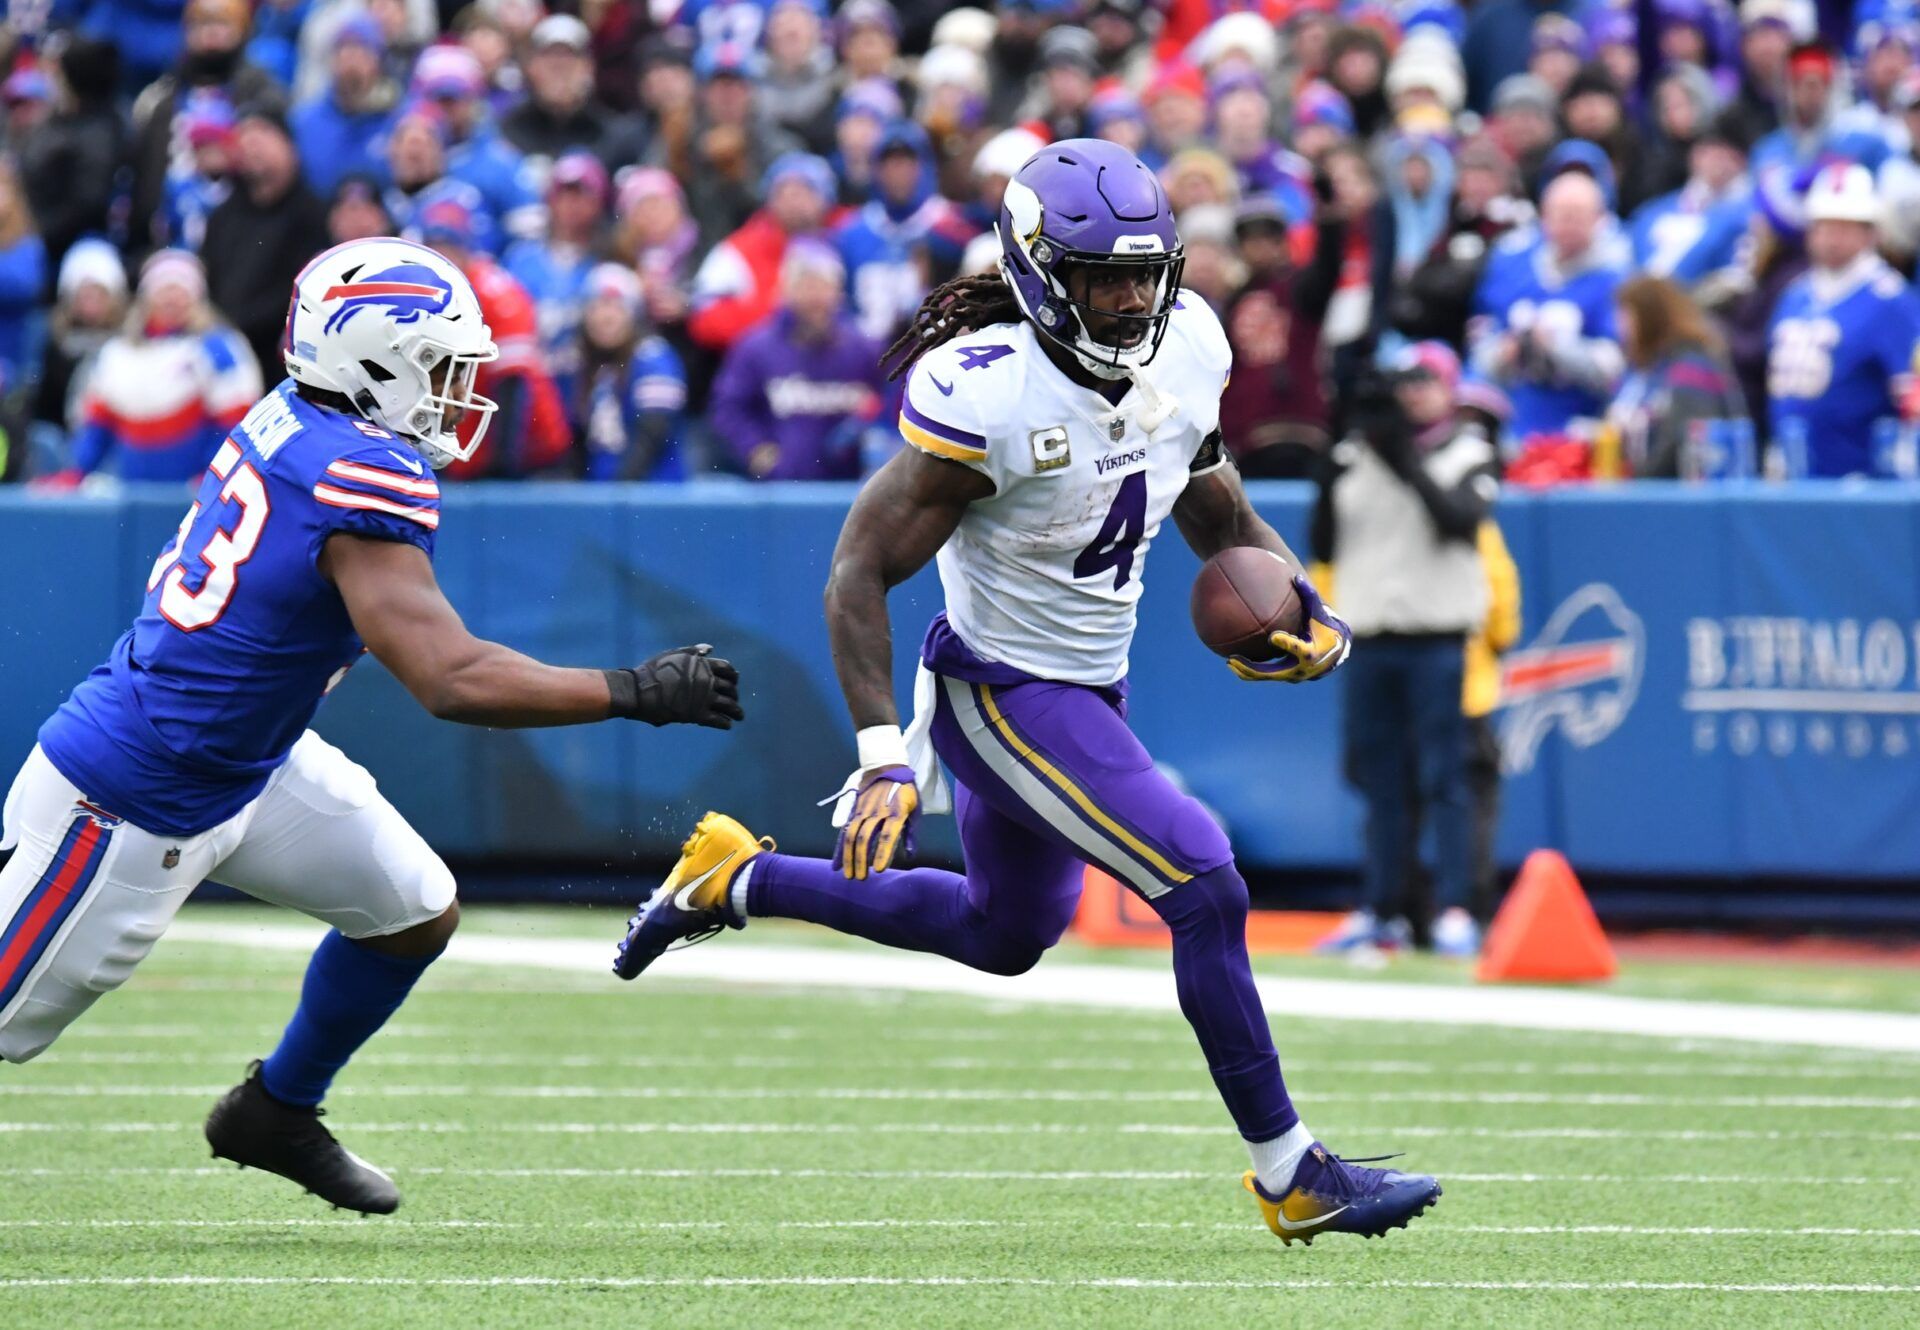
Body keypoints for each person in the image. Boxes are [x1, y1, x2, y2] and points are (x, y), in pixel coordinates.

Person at [612, 139, 1442, 1246]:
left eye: (1147, 273)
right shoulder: (988, 391)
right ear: (1045, 270)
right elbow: (859, 571)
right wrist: (880, 759)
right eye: (1105, 276)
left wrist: (1298, 596)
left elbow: (1205, 492)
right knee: (1206, 883)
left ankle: (736, 880)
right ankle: (1292, 1172)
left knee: (1004, 931)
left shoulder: (1188, 343)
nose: (1134, 296)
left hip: (1090, 685)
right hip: (997, 689)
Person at [0, 236, 742, 1216]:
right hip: (129, 795)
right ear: (375, 362)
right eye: (440, 366)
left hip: (245, 764)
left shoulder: (297, 416)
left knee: (410, 911)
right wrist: (633, 690)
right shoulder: (358, 470)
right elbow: (450, 675)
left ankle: (275, 1110)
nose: (455, 391)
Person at [1310, 343, 1499, 959]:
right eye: (1405, 383)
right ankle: (1383, 907)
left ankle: (1455, 908)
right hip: (1371, 638)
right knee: (1380, 783)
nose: (1414, 394)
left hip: (1436, 639)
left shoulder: (1469, 451)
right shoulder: (1355, 455)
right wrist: (1341, 451)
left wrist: (1402, 458)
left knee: (1445, 778)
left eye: (1426, 381)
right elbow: (1324, 542)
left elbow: (1457, 521)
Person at [1767, 163, 1920, 476]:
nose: (1830, 238)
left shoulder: (1890, 300)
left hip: (1860, 479)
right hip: (1795, 472)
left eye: (1843, 227)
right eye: (1823, 226)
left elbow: (1913, 399)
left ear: (1870, 233)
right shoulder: (1795, 294)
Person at [411, 185, 572, 479]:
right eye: (434, 246)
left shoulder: (496, 292)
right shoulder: (421, 294)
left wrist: (502, 468)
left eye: (449, 246)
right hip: (464, 452)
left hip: (530, 455)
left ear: (467, 248)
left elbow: (513, 385)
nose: (442, 256)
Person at [59, 250, 259, 484]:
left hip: (194, 491)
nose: (172, 299)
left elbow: (234, 425)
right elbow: (97, 426)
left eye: (181, 291)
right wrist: (78, 472)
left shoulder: (219, 348)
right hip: (132, 490)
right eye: (164, 290)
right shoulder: (117, 353)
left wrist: (214, 478)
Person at [1470, 167, 1628, 442]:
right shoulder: (1513, 269)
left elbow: (1615, 366)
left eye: (1577, 215)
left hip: (1580, 429)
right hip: (1514, 424)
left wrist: (1555, 346)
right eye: (1561, 214)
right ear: (1544, 215)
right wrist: (1503, 352)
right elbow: (1479, 350)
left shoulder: (1613, 280)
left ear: (1599, 219)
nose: (1568, 224)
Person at [707, 239, 887, 479]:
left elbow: (891, 404)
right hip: (781, 493)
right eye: (805, 285)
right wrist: (755, 449)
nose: (815, 297)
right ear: (787, 291)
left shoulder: (864, 348)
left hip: (850, 489)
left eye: (823, 286)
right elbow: (728, 408)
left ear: (838, 292)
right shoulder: (756, 348)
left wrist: (870, 423)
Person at [1219, 193, 1347, 477]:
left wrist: (1329, 223)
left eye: (1271, 239)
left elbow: (1328, 269)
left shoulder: (1301, 289)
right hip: (1250, 437)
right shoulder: (1233, 302)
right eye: (1252, 241)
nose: (1262, 248)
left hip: (1305, 432)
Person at [201, 107, 333, 381]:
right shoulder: (222, 216)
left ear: (289, 145)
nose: (251, 145)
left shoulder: (314, 215)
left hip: (283, 358)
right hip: (225, 354)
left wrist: (238, 325)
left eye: (262, 134)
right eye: (244, 138)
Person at [686, 151, 835, 357]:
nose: (794, 202)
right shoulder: (737, 251)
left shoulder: (846, 241)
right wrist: (780, 316)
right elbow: (704, 319)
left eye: (805, 191)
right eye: (784, 193)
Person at [1606, 275, 1749, 478]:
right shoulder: (1635, 371)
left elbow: (1683, 440)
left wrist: (1637, 483)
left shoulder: (1692, 366)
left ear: (1648, 316)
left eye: (1625, 315)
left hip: (1672, 498)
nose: (1619, 325)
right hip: (1631, 494)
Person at [570, 263, 689, 480]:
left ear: (633, 313)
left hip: (651, 495)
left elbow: (652, 435)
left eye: (616, 306)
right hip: (600, 494)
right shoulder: (584, 362)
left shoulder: (653, 357)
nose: (606, 317)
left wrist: (617, 495)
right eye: (597, 306)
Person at [498, 14, 646, 171]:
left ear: (588, 67)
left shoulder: (612, 135)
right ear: (531, 67)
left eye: (569, 59)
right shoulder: (506, 131)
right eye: (550, 59)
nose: (559, 69)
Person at [290, 15, 401, 196]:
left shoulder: (397, 120)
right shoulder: (302, 121)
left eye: (361, 50)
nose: (351, 58)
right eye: (343, 49)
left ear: (378, 62)